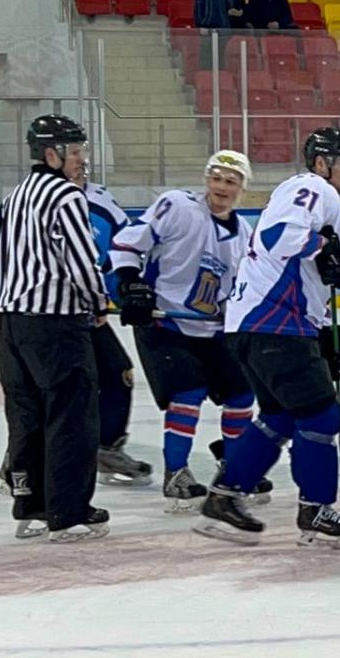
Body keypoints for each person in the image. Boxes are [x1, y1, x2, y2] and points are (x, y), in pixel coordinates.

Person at [193, 127, 340, 548]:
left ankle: (224, 498)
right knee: (322, 417)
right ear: (322, 163)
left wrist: (325, 334)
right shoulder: (312, 187)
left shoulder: (320, 197)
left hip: (260, 326)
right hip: (275, 325)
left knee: (281, 418)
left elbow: (305, 274)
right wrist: (324, 246)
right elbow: (278, 237)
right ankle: (315, 510)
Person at [0, 164, 153, 490]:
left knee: (118, 374)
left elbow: (121, 257)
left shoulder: (102, 203)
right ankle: (20, 461)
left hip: (86, 312)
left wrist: (125, 291)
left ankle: (106, 446)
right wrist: (29, 288)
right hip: (44, 315)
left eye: (80, 156)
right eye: (70, 155)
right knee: (45, 391)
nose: (78, 166)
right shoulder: (26, 200)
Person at [109, 151, 265, 513]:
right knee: (188, 393)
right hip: (166, 323)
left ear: (242, 188)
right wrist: (131, 284)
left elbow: (247, 288)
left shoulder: (246, 236)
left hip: (214, 330)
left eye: (231, 181)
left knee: (242, 394)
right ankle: (176, 472)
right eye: (217, 177)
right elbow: (129, 243)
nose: (222, 186)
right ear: (206, 179)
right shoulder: (176, 206)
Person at [0, 114, 109, 543]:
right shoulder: (66, 196)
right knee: (71, 413)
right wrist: (98, 302)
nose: (81, 160)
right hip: (54, 323)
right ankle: (68, 511)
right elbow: (80, 259)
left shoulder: (15, 196)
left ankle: (32, 506)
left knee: (27, 414)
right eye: (75, 152)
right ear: (51, 154)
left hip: (10, 322)